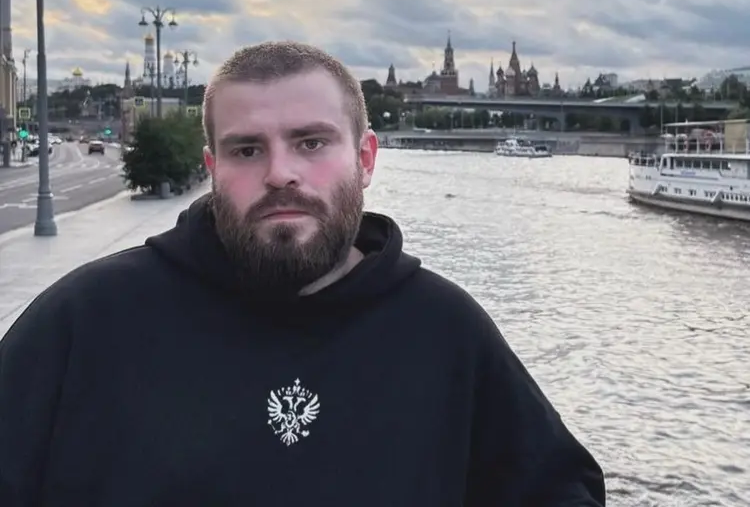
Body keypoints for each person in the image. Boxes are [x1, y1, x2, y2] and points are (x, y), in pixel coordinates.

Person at [0, 41, 606, 506]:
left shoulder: (447, 332)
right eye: (247, 150)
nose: (280, 173)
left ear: (364, 159)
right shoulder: (86, 321)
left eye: (311, 143)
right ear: (212, 167)